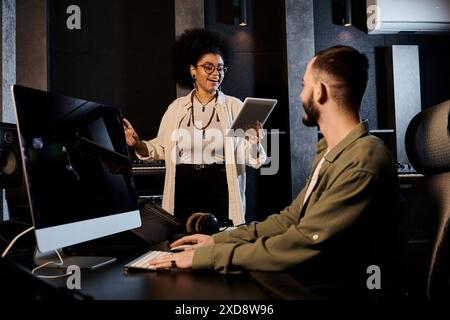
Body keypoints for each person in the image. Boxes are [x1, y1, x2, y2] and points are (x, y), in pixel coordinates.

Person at [149, 45, 400, 288]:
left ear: (320, 92)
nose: (301, 95)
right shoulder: (333, 153)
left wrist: (207, 257)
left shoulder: (363, 159)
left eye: (304, 86)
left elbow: (303, 241)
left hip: (344, 286)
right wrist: (215, 241)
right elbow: (289, 220)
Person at [124, 29, 266, 227]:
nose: (216, 73)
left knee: (220, 247)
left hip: (221, 189)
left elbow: (251, 159)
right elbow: (161, 149)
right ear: (192, 70)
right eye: (208, 67)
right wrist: (137, 144)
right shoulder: (176, 109)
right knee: (183, 244)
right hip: (184, 189)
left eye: (220, 68)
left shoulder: (235, 106)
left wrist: (255, 140)